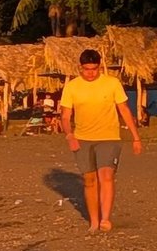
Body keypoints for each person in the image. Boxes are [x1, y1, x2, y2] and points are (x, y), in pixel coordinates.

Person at [59, 48, 143, 232]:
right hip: (82, 139)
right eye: (86, 69)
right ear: (80, 68)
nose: (90, 73)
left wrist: (136, 137)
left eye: (94, 69)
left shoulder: (112, 83)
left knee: (106, 175)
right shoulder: (72, 86)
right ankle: (94, 222)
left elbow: (124, 110)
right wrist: (69, 135)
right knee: (89, 180)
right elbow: (65, 116)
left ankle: (105, 219)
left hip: (109, 138)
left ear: (99, 67)